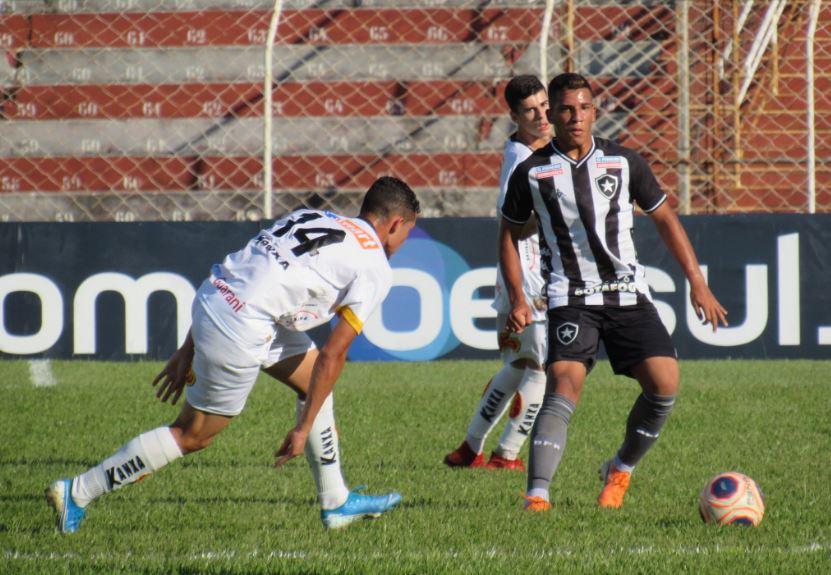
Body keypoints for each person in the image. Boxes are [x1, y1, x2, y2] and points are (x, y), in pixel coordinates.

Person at [45, 176, 420, 532]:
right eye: (407, 232)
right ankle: (78, 491)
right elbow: (333, 356)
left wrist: (188, 345)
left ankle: (335, 500)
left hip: (217, 299)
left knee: (314, 384)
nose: (404, 241)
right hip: (243, 326)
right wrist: (303, 428)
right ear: (396, 224)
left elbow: (247, 273)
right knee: (192, 435)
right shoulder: (375, 267)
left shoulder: (314, 216)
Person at [498, 73, 728, 512]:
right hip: (571, 294)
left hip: (627, 292)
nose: (575, 117)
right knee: (564, 384)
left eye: (583, 107)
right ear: (552, 113)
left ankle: (620, 469)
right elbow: (508, 233)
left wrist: (697, 282)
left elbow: (664, 218)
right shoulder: (532, 170)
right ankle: (537, 494)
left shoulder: (625, 162)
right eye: (565, 109)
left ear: (594, 110)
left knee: (665, 384)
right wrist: (519, 297)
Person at [444, 75, 551, 471]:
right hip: (529, 281)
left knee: (518, 366)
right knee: (543, 368)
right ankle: (506, 455)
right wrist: (521, 293)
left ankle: (470, 447)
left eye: (544, 106)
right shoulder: (522, 162)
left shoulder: (534, 151)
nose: (542, 116)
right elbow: (512, 226)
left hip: (521, 281)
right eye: (530, 111)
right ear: (514, 116)